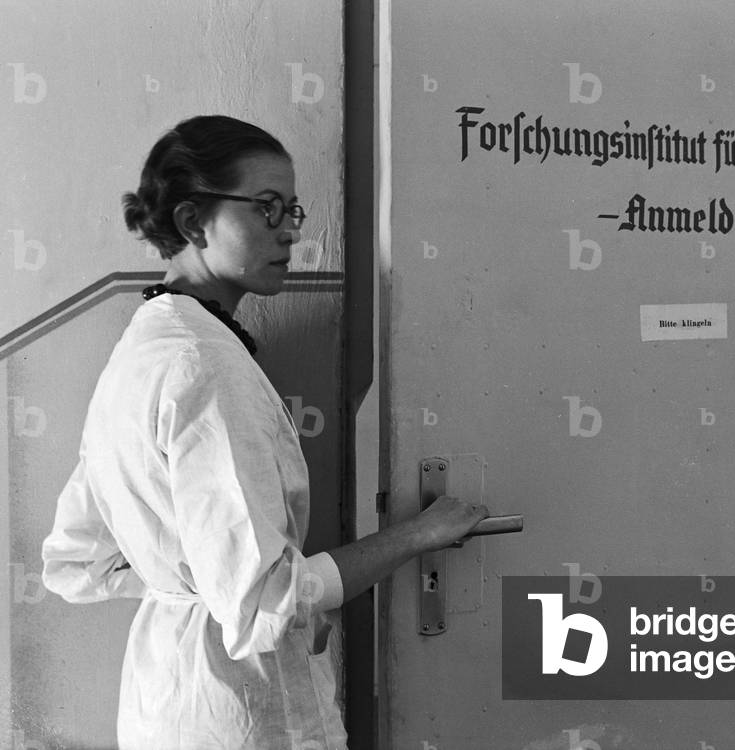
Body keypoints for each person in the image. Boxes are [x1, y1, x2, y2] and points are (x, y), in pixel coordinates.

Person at [39, 114, 487, 749]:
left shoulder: (147, 346)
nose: (290, 233)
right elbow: (266, 604)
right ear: (194, 222)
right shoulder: (204, 368)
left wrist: (208, 585)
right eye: (266, 209)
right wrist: (420, 534)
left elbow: (77, 560)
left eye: (293, 210)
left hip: (167, 705)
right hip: (236, 715)